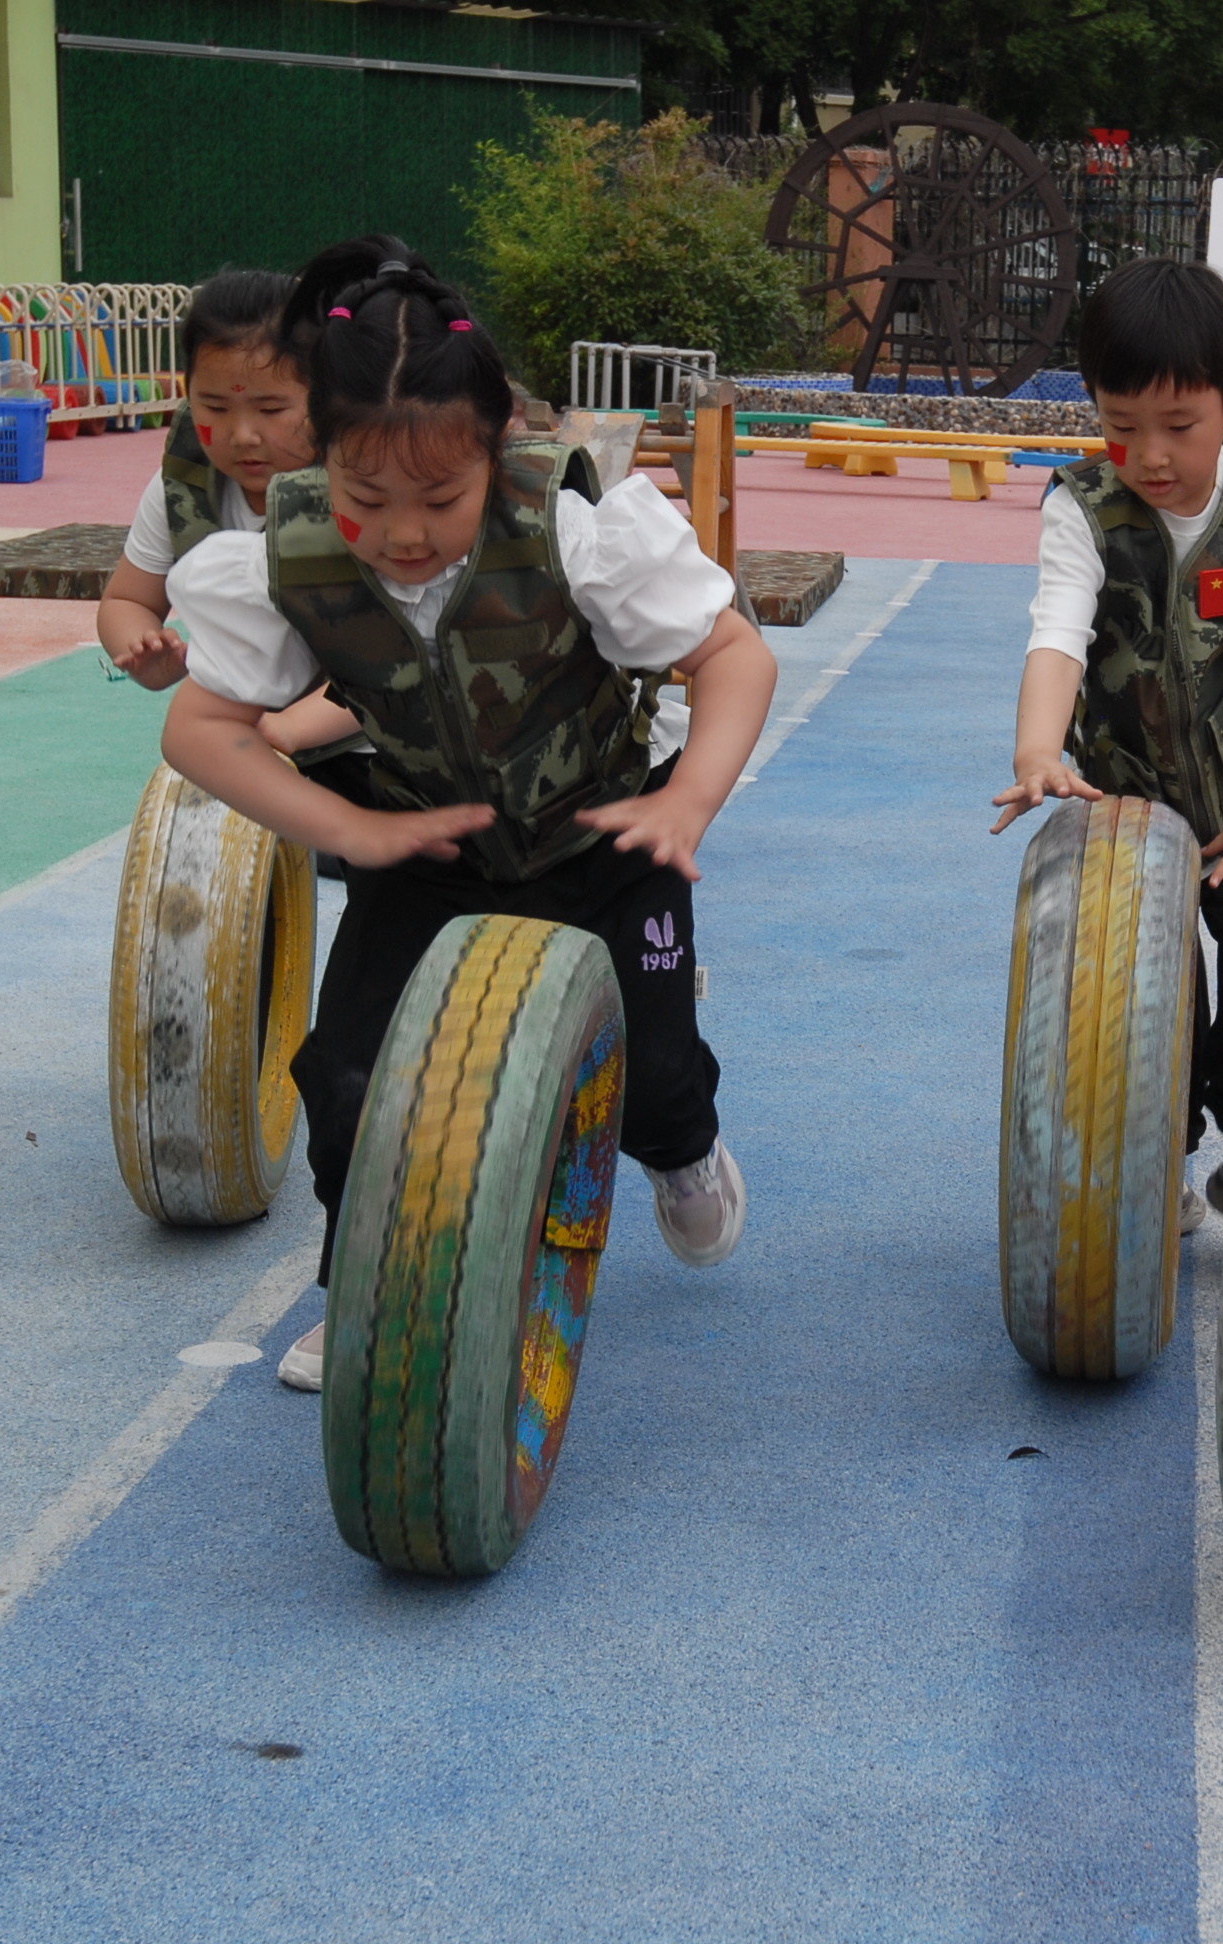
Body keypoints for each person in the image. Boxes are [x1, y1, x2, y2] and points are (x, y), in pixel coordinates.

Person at [158, 237, 774, 1392]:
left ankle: (685, 1153)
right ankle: (361, 1286)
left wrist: (687, 803)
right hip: (427, 849)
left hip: (604, 839)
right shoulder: (284, 560)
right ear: (318, 459)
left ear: (494, 453)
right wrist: (351, 835)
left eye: (439, 498)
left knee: (653, 1080)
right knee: (344, 1078)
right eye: (364, 498)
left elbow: (733, 656)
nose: (402, 533)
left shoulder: (573, 531)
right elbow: (199, 732)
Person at [992, 258, 1223, 1228]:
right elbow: (1056, 635)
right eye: (1120, 426)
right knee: (1137, 1003)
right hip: (1124, 813)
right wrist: (1038, 752)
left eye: (1179, 427)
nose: (1150, 456)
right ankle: (1156, 1165)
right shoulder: (1082, 511)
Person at [96, 268, 367, 793]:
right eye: (214, 407)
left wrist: (287, 729)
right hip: (258, 743)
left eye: (271, 409)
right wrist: (144, 651)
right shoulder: (184, 488)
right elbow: (125, 600)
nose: (242, 435)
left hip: (373, 749)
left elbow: (405, 655)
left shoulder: (367, 490)